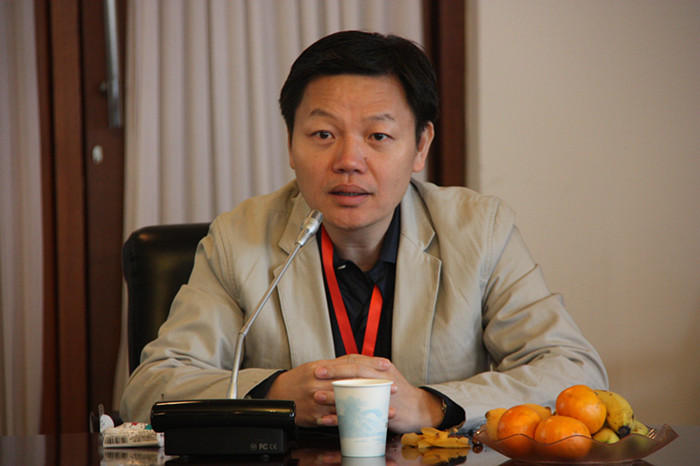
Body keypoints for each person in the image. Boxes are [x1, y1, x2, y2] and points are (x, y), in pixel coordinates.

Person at [120, 30, 608, 433]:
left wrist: (432, 406)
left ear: (420, 146)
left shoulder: (480, 232)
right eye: (323, 135)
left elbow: (576, 373)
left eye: (378, 136)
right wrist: (275, 392)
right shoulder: (237, 238)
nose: (349, 161)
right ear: (290, 145)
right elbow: (150, 388)